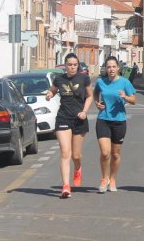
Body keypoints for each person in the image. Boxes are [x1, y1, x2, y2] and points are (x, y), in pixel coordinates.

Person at [46, 53, 93, 198]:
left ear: (77, 65)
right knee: (65, 152)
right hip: (63, 117)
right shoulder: (59, 79)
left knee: (76, 155)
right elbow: (52, 91)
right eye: (69, 64)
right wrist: (49, 94)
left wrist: (84, 111)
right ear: (65, 65)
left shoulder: (84, 78)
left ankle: (77, 168)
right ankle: (66, 186)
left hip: (79, 119)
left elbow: (90, 96)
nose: (72, 67)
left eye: (74, 64)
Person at [93, 56, 137, 193]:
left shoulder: (125, 83)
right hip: (103, 120)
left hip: (119, 121)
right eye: (108, 67)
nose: (111, 69)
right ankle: (104, 178)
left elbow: (134, 100)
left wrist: (126, 97)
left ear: (118, 68)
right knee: (105, 153)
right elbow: (95, 94)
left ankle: (112, 179)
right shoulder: (101, 82)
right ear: (105, 69)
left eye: (113, 66)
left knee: (115, 154)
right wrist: (97, 103)